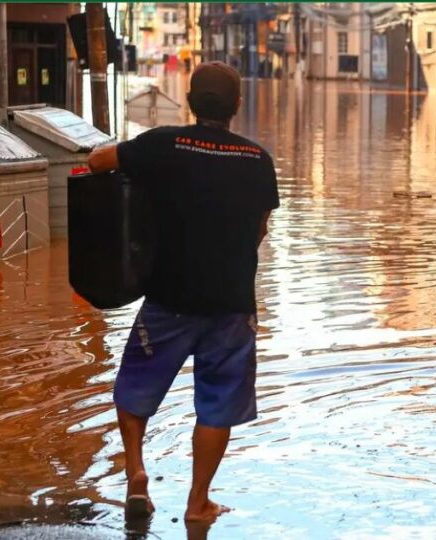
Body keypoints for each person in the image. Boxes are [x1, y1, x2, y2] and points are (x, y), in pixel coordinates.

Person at [87, 61, 279, 522]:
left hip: (168, 300)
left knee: (134, 388)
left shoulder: (163, 145)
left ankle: (136, 473)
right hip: (231, 305)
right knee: (217, 405)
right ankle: (198, 503)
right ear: (237, 105)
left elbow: (97, 162)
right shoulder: (258, 160)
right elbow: (259, 230)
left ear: (190, 102)